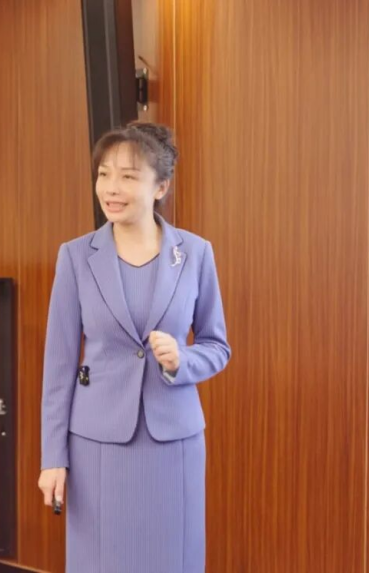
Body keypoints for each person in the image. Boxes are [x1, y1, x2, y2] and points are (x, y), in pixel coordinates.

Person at [38, 121, 231, 572]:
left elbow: (217, 346)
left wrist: (183, 360)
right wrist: (53, 458)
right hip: (96, 446)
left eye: (128, 176)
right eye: (104, 174)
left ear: (160, 187)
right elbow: (59, 367)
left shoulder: (195, 253)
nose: (111, 188)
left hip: (174, 444)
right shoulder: (75, 256)